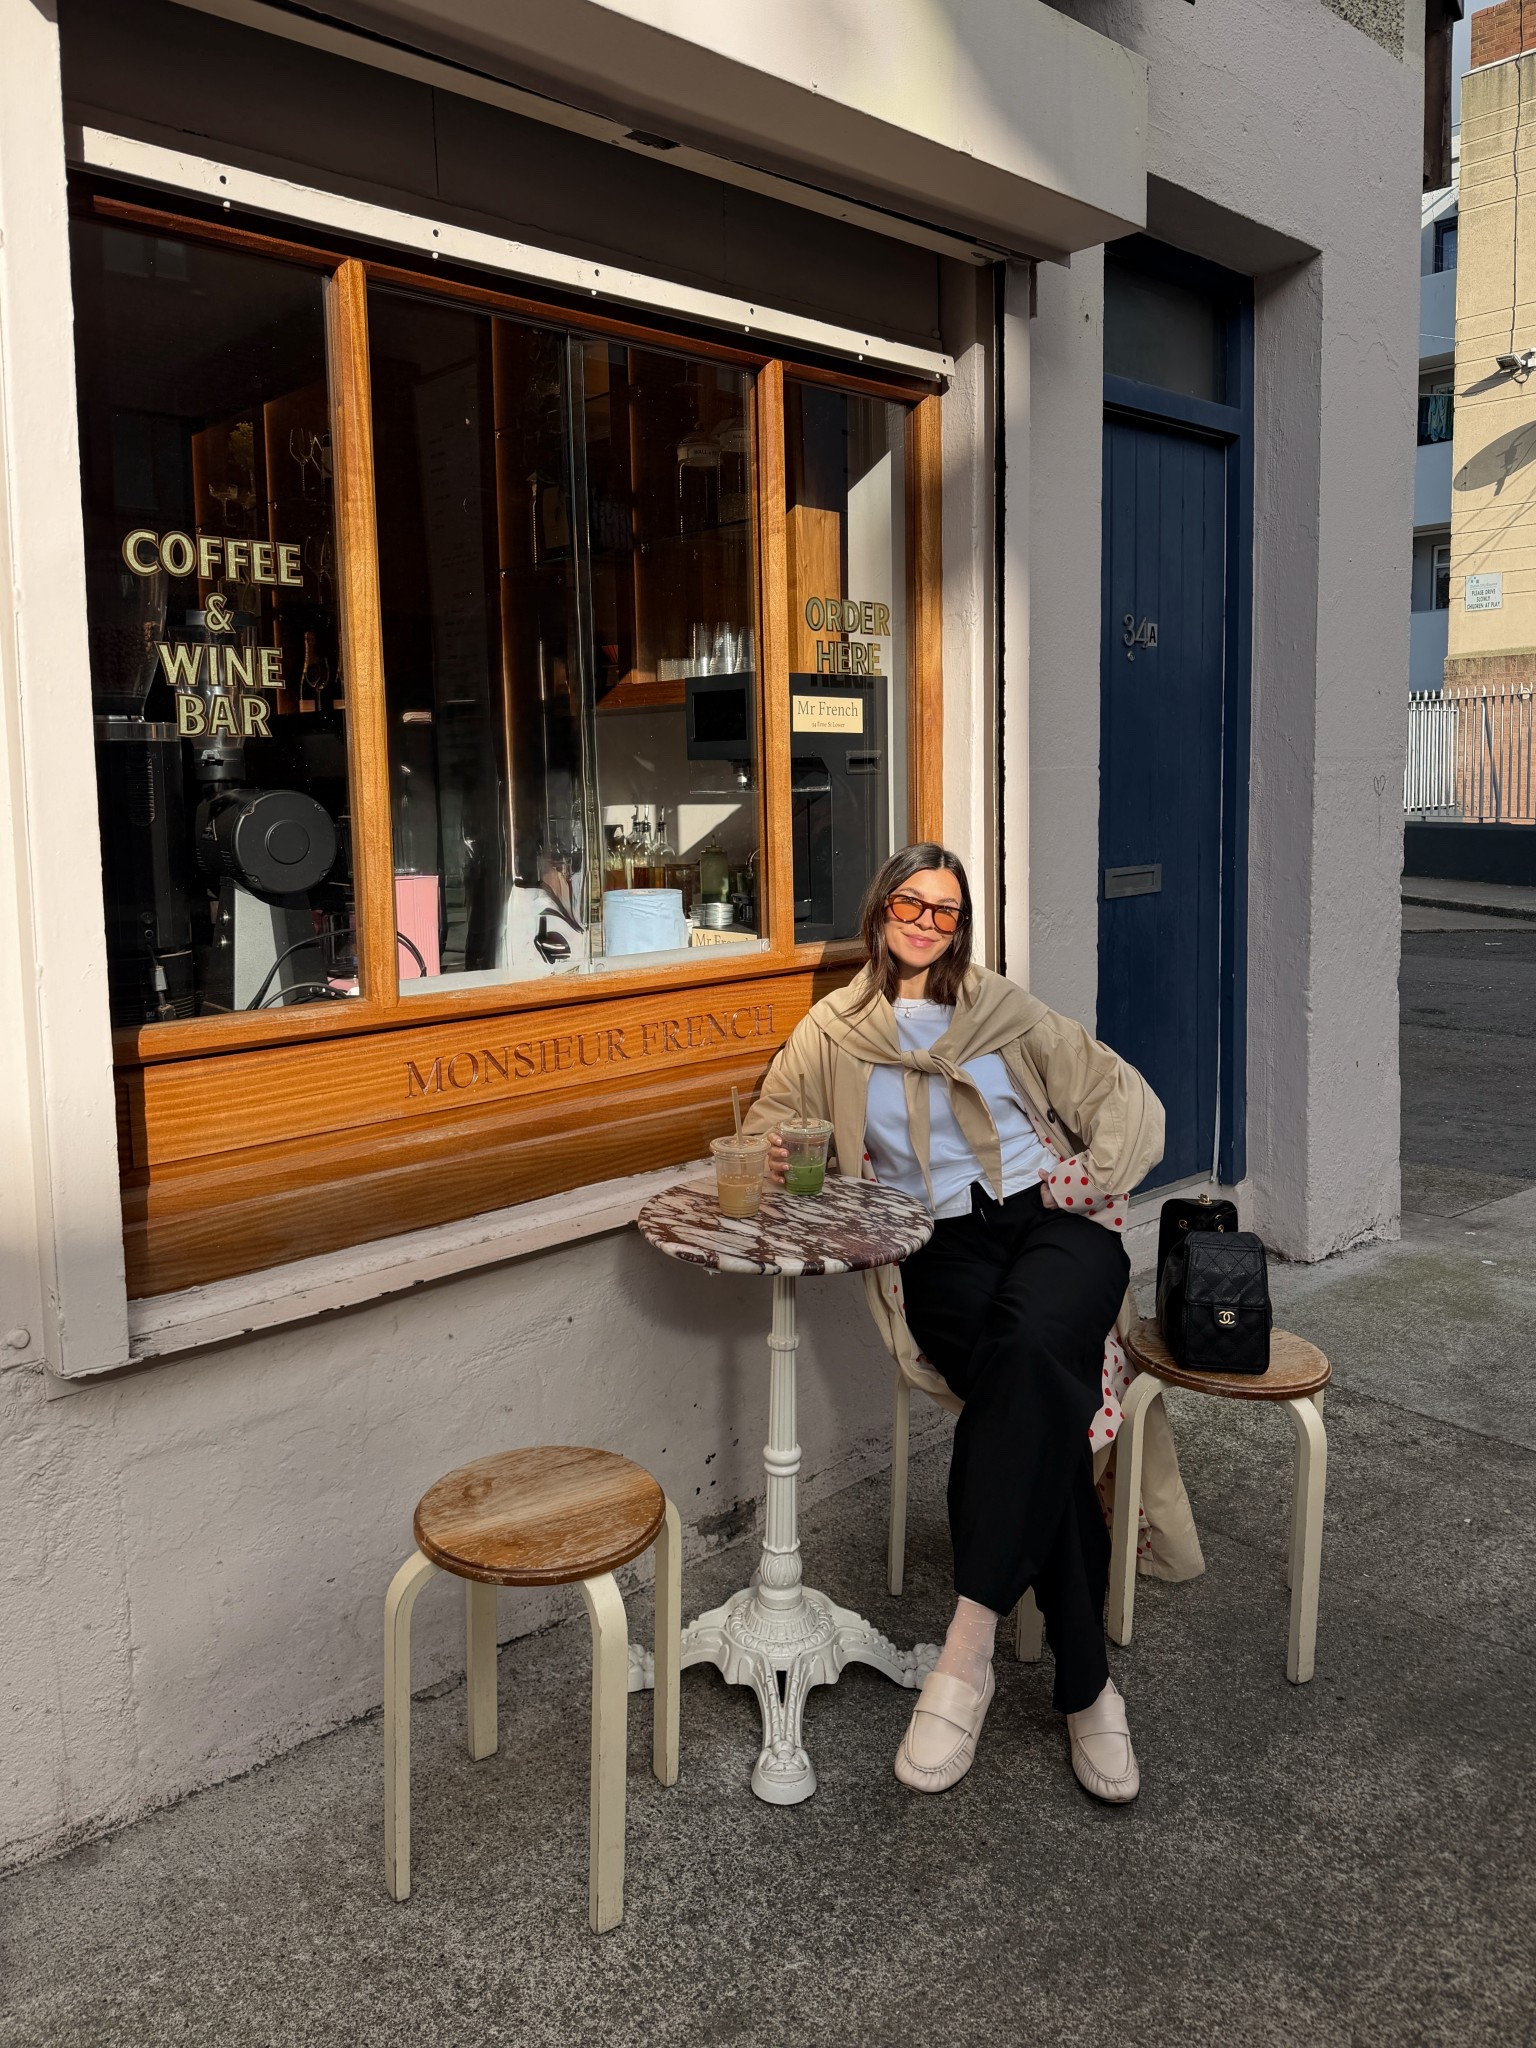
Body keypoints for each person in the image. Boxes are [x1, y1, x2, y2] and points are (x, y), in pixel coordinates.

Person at [744, 843, 1201, 1802]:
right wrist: (786, 1159)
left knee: (1029, 1350)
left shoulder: (1002, 1010)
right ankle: (1088, 1689)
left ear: (960, 926)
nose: (925, 921)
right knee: (1028, 1381)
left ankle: (968, 1646)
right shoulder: (833, 1033)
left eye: (945, 909)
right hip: (938, 1247)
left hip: (1053, 1226)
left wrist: (1084, 1178)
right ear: (880, 910)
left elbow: (1123, 1097)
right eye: (910, 902)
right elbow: (768, 1126)